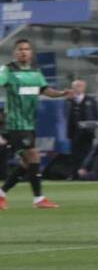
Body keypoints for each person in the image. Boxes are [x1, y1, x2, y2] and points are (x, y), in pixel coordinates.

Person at [0, 39, 72, 210]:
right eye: (20, 49)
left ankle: (2, 194)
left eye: (26, 49)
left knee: (27, 163)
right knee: (34, 156)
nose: (23, 52)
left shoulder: (36, 72)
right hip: (15, 123)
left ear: (31, 53)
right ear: (15, 53)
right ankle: (38, 199)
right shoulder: (8, 70)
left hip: (28, 123)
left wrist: (61, 93)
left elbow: (45, 90)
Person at [64, 78, 98, 177]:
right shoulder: (68, 101)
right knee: (74, 154)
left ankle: (87, 174)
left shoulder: (91, 101)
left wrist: (92, 128)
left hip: (87, 132)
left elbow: (96, 115)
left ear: (84, 87)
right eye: (76, 86)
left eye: (80, 86)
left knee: (88, 154)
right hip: (74, 132)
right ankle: (74, 174)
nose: (78, 88)